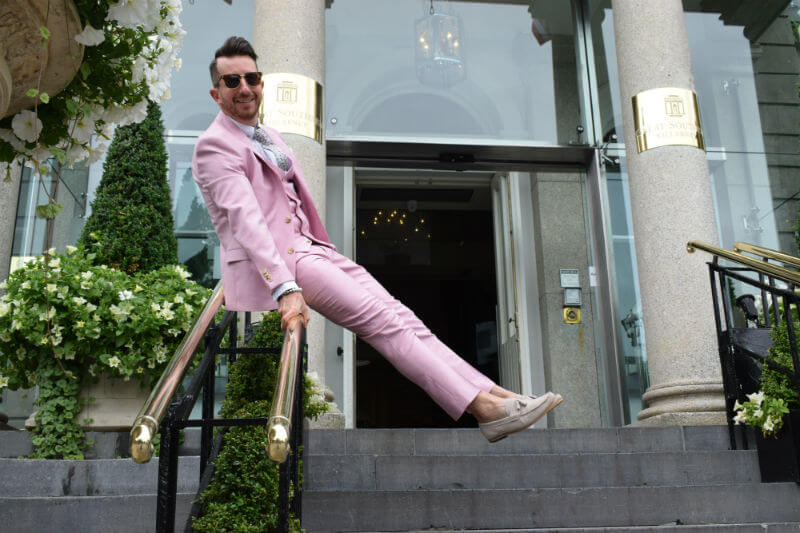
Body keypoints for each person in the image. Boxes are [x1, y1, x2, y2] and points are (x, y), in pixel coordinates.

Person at [192, 36, 562, 442]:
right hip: (287, 263)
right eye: (232, 82)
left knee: (403, 317)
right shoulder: (215, 145)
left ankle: (495, 394)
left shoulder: (269, 135)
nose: (244, 87)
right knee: (384, 324)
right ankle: (484, 409)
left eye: (252, 77)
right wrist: (284, 287)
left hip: (312, 248)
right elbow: (246, 222)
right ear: (216, 93)